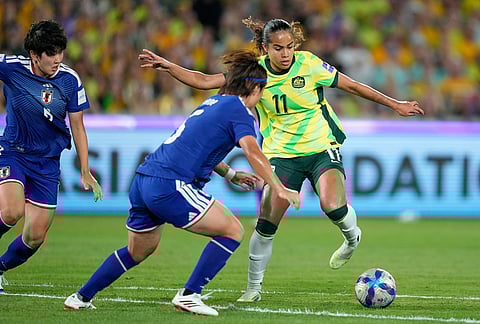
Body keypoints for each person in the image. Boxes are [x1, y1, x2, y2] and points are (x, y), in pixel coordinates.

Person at [137, 17, 425, 303]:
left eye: (289, 47)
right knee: (266, 222)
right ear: (265, 48)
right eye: (278, 48)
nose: (285, 54)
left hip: (320, 145)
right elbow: (205, 80)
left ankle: (352, 238)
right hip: (280, 154)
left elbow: (353, 86)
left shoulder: (309, 64)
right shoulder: (255, 73)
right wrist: (170, 67)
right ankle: (253, 288)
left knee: (332, 206)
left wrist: (395, 104)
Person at [63, 50, 301, 316]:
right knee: (232, 230)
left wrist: (231, 175)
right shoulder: (240, 112)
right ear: (254, 87)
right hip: (170, 184)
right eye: (262, 89)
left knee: (138, 250)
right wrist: (278, 187)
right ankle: (190, 294)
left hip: (144, 180)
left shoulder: (214, 102)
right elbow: (253, 151)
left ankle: (81, 297)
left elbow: (198, 147)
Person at [0, 20, 103, 294]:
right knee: (11, 212)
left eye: (61, 52)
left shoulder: (70, 80)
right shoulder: (11, 68)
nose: (57, 59)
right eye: (51, 53)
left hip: (47, 163)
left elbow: (78, 127)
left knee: (34, 237)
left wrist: (84, 170)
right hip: (13, 152)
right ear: (35, 55)